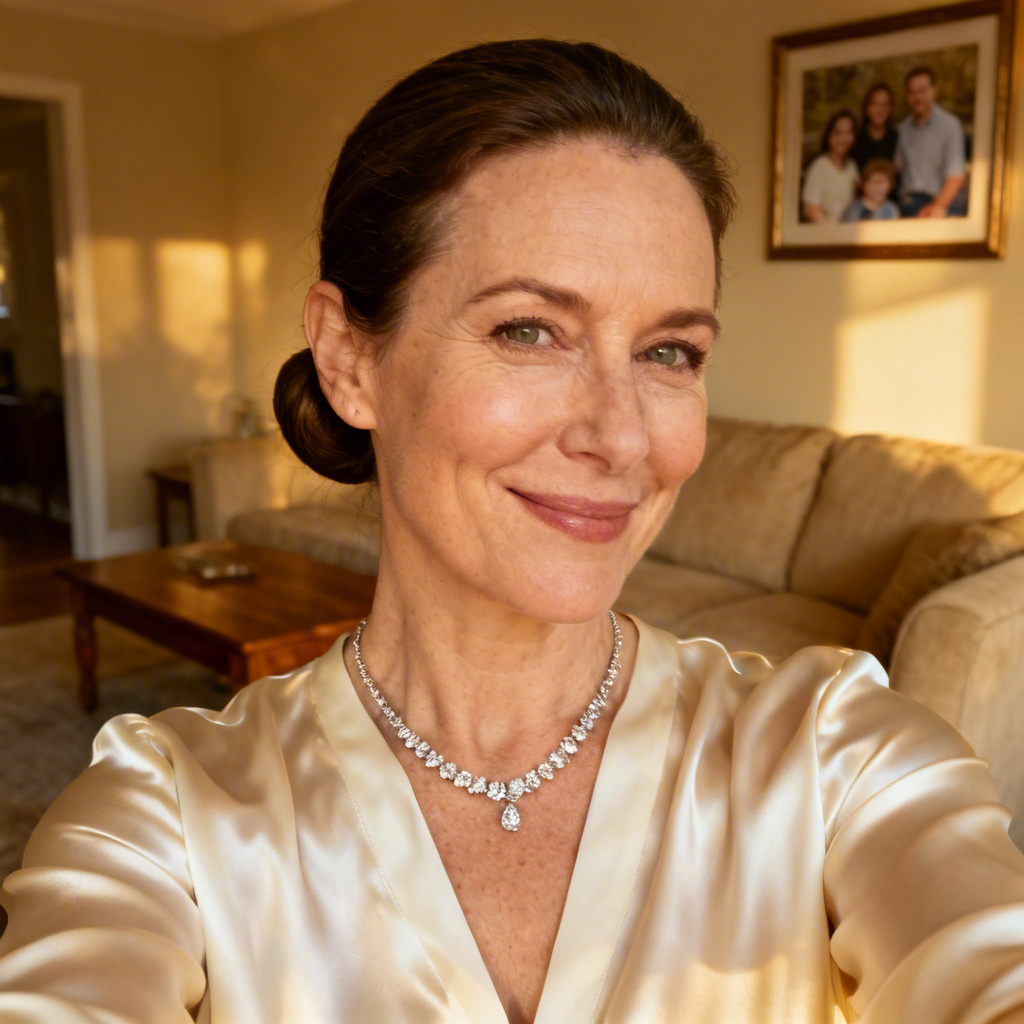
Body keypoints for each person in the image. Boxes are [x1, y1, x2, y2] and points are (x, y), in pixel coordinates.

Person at [1, 38, 1024, 1024]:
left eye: (669, 352)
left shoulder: (836, 756)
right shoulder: (166, 820)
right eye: (529, 331)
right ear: (349, 358)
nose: (622, 436)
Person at [896, 65, 968, 218]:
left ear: (934, 91)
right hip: (905, 205)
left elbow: (955, 176)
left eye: (922, 90)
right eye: (912, 92)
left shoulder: (950, 125)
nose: (917, 97)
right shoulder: (901, 130)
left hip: (941, 202)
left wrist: (937, 207)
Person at [801, 109, 859, 224]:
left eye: (848, 133)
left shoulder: (852, 166)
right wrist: (830, 231)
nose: (843, 138)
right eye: (838, 133)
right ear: (829, 135)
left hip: (849, 229)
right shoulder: (819, 166)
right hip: (825, 231)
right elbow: (811, 208)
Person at [849, 82, 898, 171]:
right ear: (867, 108)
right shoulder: (855, 139)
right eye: (875, 104)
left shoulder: (896, 139)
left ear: (890, 108)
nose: (880, 110)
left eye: (885, 104)